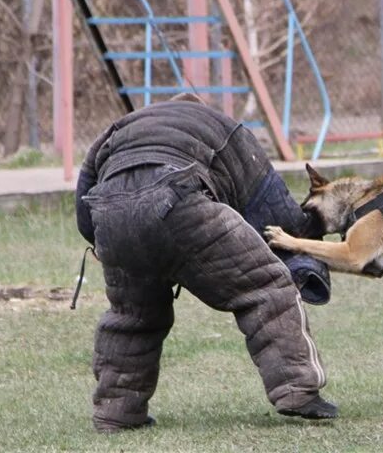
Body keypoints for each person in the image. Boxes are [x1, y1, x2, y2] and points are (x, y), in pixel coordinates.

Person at [75, 93, 337, 433]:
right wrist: (306, 260)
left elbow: (84, 192)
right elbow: (272, 205)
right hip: (179, 200)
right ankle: (297, 390)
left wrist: (97, 240)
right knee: (265, 286)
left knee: (132, 316)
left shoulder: (119, 129)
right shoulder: (225, 130)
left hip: (110, 218)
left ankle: (117, 412)